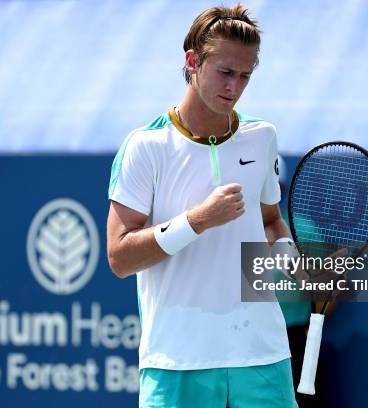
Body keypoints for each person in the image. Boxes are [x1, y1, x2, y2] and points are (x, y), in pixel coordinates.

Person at [107, 4, 299, 407]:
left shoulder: (263, 137)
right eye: (225, 73)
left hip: (261, 356)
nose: (235, 87)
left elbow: (270, 221)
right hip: (176, 362)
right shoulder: (145, 147)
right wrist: (196, 220)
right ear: (192, 62)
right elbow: (120, 258)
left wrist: (295, 265)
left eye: (245, 75)